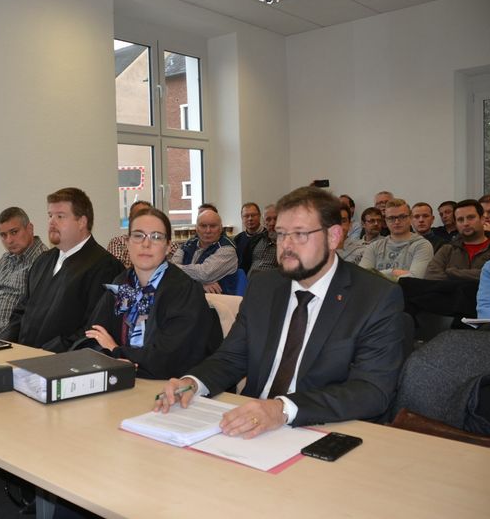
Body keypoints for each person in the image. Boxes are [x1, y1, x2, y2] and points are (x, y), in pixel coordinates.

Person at [155, 186, 404, 439]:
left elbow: (372, 390)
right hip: (250, 426)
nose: (286, 245)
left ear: (333, 236)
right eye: (281, 234)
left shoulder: (375, 298)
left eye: (300, 234)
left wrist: (283, 409)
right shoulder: (265, 286)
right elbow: (231, 357)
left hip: (321, 428)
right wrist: (193, 383)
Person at [85, 208, 218, 379]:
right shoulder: (120, 284)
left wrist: (117, 352)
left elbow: (169, 358)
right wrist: (113, 359)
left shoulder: (184, 290)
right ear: (127, 242)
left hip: (171, 388)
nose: (146, 244)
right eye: (138, 235)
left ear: (169, 246)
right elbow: (93, 335)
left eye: (156, 237)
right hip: (122, 379)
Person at [2, 187, 123, 352]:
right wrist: (4, 345)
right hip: (23, 357)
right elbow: (21, 312)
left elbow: (93, 329)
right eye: (50, 215)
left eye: (60, 216)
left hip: (61, 363)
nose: (52, 222)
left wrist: (48, 352)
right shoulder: (43, 261)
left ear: (82, 222)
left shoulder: (104, 267)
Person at [0, 207, 47, 338]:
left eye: (14, 232)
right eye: (3, 235)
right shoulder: (5, 259)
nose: (9, 240)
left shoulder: (44, 260)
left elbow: (29, 312)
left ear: (30, 228)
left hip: (16, 337)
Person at [359, 198, 433, 280]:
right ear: (386, 221)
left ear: (410, 218)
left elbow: (415, 279)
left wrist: (376, 274)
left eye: (402, 217)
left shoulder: (422, 245)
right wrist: (393, 272)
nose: (397, 222)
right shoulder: (374, 246)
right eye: (391, 218)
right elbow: (362, 277)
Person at [172, 209, 239, 294]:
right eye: (203, 226)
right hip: (189, 298)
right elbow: (171, 275)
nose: (208, 231)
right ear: (196, 228)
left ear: (221, 228)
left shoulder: (227, 250)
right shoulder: (188, 244)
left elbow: (204, 274)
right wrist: (201, 285)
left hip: (218, 303)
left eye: (213, 226)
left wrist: (175, 269)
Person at [426, 199, 490, 281]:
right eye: (460, 220)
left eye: (471, 218)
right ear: (456, 224)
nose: (465, 223)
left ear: (482, 219)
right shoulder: (447, 250)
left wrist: (452, 272)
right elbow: (431, 276)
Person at [107, 200, 176, 267]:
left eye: (147, 215)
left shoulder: (169, 244)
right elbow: (115, 269)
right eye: (138, 216)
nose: (146, 244)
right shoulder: (118, 242)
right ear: (130, 219)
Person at [241, 204, 277, 275]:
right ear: (263, 222)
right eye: (268, 219)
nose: (272, 223)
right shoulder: (256, 240)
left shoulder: (287, 243)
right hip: (250, 281)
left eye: (276, 219)